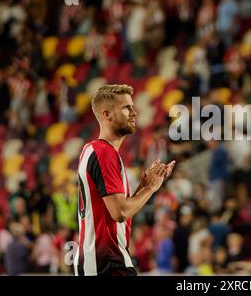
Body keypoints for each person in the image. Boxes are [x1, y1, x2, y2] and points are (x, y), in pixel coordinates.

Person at [73, 84, 175, 276]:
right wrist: (150, 189)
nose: (134, 112)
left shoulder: (91, 150)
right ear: (107, 114)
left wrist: (143, 187)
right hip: (108, 264)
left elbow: (117, 212)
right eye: (126, 107)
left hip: (95, 263)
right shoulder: (104, 153)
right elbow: (120, 212)